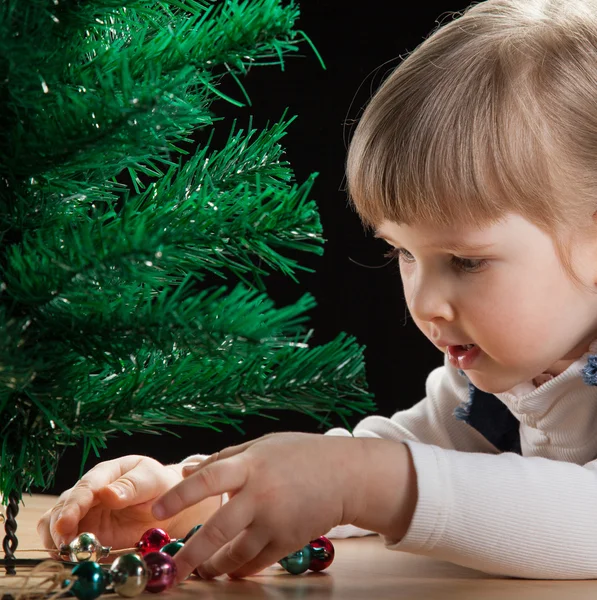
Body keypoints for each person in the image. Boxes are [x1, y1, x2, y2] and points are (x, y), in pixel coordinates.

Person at [37, 0, 597, 581]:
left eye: (466, 260)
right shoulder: (491, 382)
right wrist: (190, 495)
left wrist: (358, 478)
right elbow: (396, 460)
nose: (425, 303)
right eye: (403, 252)